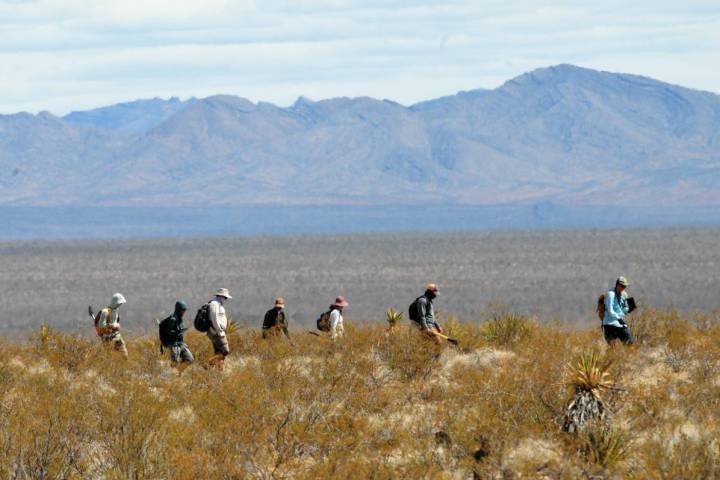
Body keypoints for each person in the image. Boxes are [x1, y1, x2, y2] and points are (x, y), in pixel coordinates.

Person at [160, 300, 193, 373]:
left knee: (189, 359)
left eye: (185, 310)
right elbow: (168, 332)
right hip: (174, 345)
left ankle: (178, 372)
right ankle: (174, 377)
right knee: (175, 362)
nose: (184, 312)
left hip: (181, 343)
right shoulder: (173, 319)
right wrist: (177, 332)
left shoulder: (180, 318)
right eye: (183, 310)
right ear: (179, 309)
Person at [603, 276, 635, 345]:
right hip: (609, 325)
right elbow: (610, 310)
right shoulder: (610, 294)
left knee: (630, 342)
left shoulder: (623, 295)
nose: (624, 288)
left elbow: (624, 310)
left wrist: (629, 309)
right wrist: (619, 319)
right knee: (612, 347)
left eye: (625, 286)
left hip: (620, 325)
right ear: (618, 285)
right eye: (622, 286)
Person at [96, 293, 129, 359]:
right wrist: (114, 326)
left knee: (124, 355)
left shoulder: (116, 311)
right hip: (108, 338)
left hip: (117, 336)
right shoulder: (105, 312)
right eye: (120, 303)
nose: (120, 305)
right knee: (109, 357)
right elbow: (101, 325)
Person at [207, 288, 232, 368]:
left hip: (216, 331)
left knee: (218, 352)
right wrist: (219, 331)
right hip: (216, 332)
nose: (226, 299)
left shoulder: (217, 303)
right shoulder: (214, 304)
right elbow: (214, 318)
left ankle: (219, 372)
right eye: (225, 297)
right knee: (225, 350)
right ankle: (207, 364)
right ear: (222, 296)